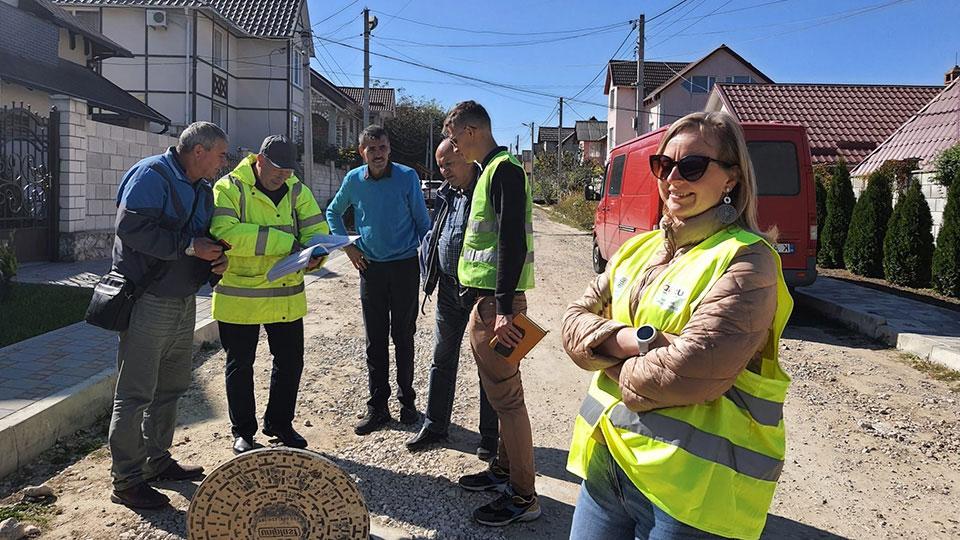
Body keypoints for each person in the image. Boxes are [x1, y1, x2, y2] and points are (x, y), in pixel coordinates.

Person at [561, 111, 793, 540]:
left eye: (692, 166)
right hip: (608, 462)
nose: (672, 178)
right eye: (663, 165)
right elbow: (572, 322)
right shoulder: (638, 249)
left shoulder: (749, 260)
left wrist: (604, 355)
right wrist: (635, 340)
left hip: (690, 494)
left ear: (731, 179)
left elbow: (691, 373)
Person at [108, 121, 229, 509]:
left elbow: (198, 239)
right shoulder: (151, 174)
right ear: (199, 152)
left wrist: (214, 259)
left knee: (171, 387)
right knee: (136, 392)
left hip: (181, 300)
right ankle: (126, 480)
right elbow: (130, 229)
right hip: (148, 301)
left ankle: (157, 461)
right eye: (220, 155)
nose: (223, 163)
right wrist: (190, 248)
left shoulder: (201, 188)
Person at [443, 101, 540, 527]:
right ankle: (503, 471)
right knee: (500, 395)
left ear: (471, 131)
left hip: (497, 307)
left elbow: (510, 243)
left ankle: (523, 496)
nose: (452, 146)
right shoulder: (492, 171)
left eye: (454, 136)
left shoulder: (503, 171)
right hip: (487, 304)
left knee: (508, 399)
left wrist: (502, 309)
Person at [210, 135, 329, 454]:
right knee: (240, 365)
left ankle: (279, 423)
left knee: (290, 362)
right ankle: (243, 432)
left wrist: (317, 253)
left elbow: (316, 230)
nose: (282, 179)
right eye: (277, 172)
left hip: (285, 295)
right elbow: (226, 235)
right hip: (240, 296)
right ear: (259, 161)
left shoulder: (296, 190)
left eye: (288, 173)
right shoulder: (229, 188)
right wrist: (285, 243)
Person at [326, 125, 431, 435]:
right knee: (375, 341)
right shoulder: (354, 180)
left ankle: (407, 402)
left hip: (404, 267)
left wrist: (428, 262)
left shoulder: (407, 177)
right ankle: (378, 407)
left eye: (382, 147)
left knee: (403, 336)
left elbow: (422, 221)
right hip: (370, 268)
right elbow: (333, 212)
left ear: (389, 149)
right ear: (362, 152)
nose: (378, 154)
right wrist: (348, 247)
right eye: (371, 149)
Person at [405, 138, 500, 460]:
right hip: (448, 290)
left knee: (487, 367)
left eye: (448, 164)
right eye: (440, 165)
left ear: (467, 158)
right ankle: (435, 425)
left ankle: (490, 438)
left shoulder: (489, 191)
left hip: (481, 295)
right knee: (441, 360)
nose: (443, 171)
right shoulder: (448, 194)